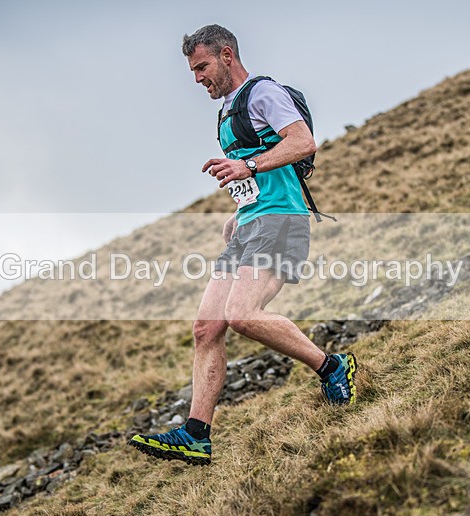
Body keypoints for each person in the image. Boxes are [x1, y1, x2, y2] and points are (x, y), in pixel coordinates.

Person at [129, 24, 357, 466]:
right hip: (252, 224)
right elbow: (260, 173)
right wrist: (239, 212)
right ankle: (196, 434)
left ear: (226, 54)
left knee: (242, 315)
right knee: (206, 327)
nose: (197, 79)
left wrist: (248, 166)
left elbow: (302, 141)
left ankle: (332, 366)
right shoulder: (228, 111)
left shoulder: (263, 92)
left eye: (202, 67)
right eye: (193, 71)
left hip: (281, 222)